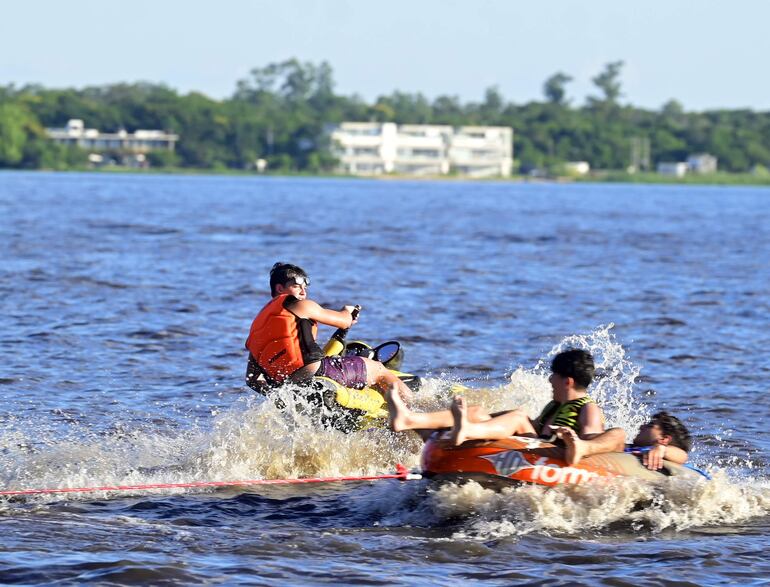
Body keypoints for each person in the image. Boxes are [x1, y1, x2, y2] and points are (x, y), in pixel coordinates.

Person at [388, 349, 626, 464]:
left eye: (553, 375)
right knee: (479, 412)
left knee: (519, 417)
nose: (549, 380)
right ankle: (410, 420)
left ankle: (465, 432)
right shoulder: (556, 405)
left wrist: (576, 441)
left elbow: (591, 441)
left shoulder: (588, 408)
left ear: (568, 381)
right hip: (536, 444)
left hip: (552, 456)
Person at [245, 262, 412, 400]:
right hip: (316, 371)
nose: (303, 292)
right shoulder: (300, 305)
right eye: (296, 286)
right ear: (280, 289)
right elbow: (344, 320)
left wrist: (280, 397)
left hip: (290, 386)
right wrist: (348, 311)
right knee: (379, 370)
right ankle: (416, 413)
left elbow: (252, 379)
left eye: (305, 287)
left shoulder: (257, 326)